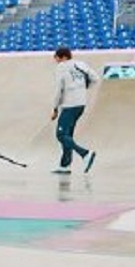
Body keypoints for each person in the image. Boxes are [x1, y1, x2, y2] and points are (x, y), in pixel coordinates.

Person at [50, 46, 98, 175]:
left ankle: (85, 154)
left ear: (64, 57)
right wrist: (82, 88)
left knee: (60, 135)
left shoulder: (62, 67)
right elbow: (95, 78)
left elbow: (58, 89)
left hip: (69, 105)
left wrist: (54, 108)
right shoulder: (81, 64)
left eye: (58, 59)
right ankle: (65, 165)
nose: (57, 62)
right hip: (81, 104)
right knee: (67, 135)